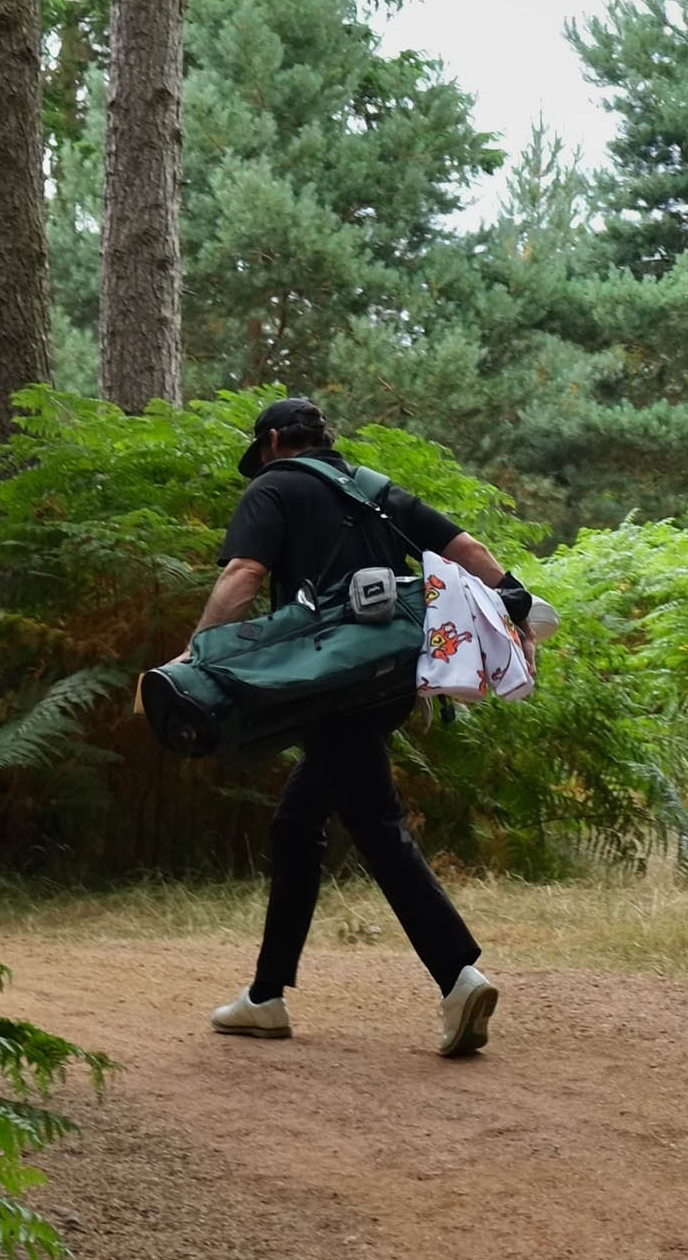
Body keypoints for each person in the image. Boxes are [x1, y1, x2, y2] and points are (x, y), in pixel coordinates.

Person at [195, 395, 513, 1057]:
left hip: (327, 685)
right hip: (391, 679)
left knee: (374, 824)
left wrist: (195, 653)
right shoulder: (374, 492)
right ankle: (266, 997)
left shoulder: (274, 489)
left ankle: (459, 975)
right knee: (296, 823)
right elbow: (470, 550)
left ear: (275, 441)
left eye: (262, 454)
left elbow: (244, 575)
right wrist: (517, 602)